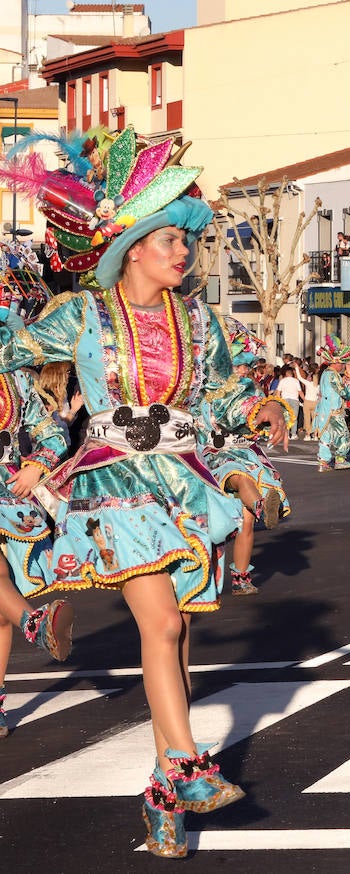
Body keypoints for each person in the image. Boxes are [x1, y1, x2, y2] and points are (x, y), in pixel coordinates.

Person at [0, 128, 288, 857]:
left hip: (185, 487)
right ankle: (189, 768)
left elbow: (224, 403)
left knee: (180, 639)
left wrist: (254, 437)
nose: (183, 254)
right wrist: (33, 444)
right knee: (159, 626)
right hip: (113, 485)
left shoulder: (202, 322)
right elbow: (12, 351)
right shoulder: (83, 317)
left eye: (186, 243)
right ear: (132, 249)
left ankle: (164, 790)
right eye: (168, 242)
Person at [0, 344, 76, 739]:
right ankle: (33, 623)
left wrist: (36, 466)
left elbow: (52, 429)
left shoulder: (15, 377)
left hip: (9, 492)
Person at [201, 320, 293, 596]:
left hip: (244, 452)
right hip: (210, 456)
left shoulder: (249, 390)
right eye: (236, 366)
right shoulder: (202, 388)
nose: (241, 372)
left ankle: (241, 576)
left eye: (245, 367)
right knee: (236, 479)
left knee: (246, 520)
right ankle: (264, 505)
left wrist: (272, 414)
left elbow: (250, 409)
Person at [314, 337, 350, 470]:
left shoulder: (327, 373)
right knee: (342, 435)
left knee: (326, 436)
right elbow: (344, 392)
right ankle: (340, 459)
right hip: (333, 411)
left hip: (325, 409)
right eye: (342, 363)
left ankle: (324, 462)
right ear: (336, 362)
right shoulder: (332, 375)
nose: (343, 366)